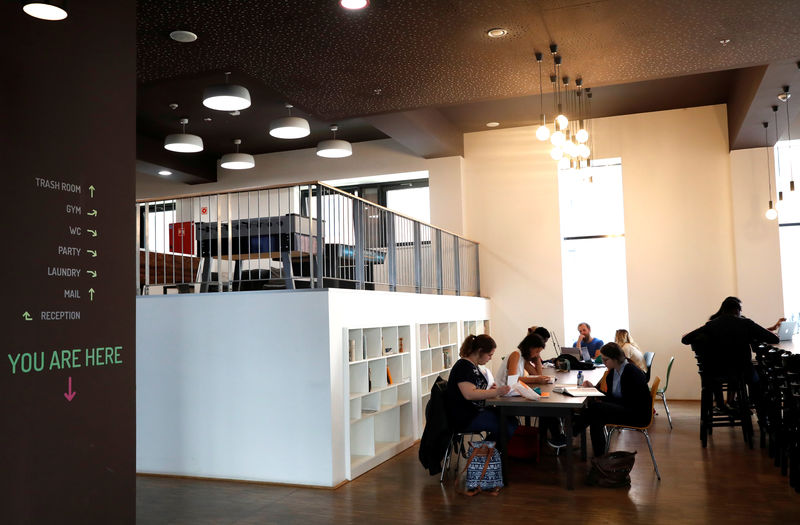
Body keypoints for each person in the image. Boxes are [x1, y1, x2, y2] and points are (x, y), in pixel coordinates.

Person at [681, 296, 779, 407]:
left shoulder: (711, 324)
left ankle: (735, 405)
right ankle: (759, 412)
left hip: (716, 371)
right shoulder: (746, 323)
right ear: (737, 310)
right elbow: (774, 339)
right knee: (762, 375)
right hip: (742, 371)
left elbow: (685, 339)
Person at [574, 343, 652, 456]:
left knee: (595, 407)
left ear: (615, 359)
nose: (604, 363)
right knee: (596, 418)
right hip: (625, 408)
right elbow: (611, 397)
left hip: (637, 414)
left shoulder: (631, 371)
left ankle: (572, 431)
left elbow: (631, 402)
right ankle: (600, 458)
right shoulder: (613, 373)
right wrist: (594, 389)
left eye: (606, 360)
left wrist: (602, 401)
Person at [445, 334, 516, 439]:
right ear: (480, 351)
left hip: (474, 412)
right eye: (489, 355)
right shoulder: (463, 367)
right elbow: (469, 394)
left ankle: (488, 452)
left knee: (511, 420)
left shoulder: (473, 366)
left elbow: (474, 389)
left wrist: (489, 391)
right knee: (507, 426)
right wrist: (496, 392)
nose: (490, 358)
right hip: (466, 417)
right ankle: (484, 453)